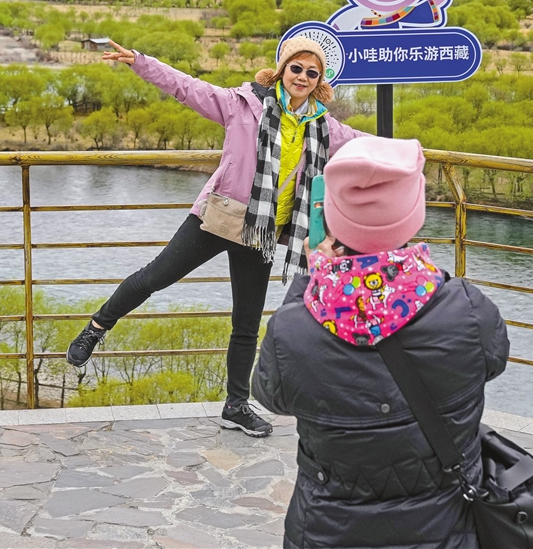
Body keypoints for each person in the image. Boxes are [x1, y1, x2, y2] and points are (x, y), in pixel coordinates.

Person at [65, 35, 365, 437]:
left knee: (247, 324)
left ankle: (236, 406)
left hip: (260, 232)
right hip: (220, 216)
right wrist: (139, 60)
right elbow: (185, 87)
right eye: (296, 68)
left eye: (312, 73)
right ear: (282, 70)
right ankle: (97, 327)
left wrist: (414, 152)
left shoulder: (322, 125)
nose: (303, 77)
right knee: (155, 277)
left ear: (319, 80)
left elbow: (365, 145)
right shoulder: (242, 104)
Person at [252, 136, 509, 548]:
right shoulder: (469, 310)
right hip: (445, 531)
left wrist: (313, 281)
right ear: (414, 213)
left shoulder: (293, 329)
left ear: (330, 217)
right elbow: (493, 363)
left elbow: (271, 394)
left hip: (328, 532)